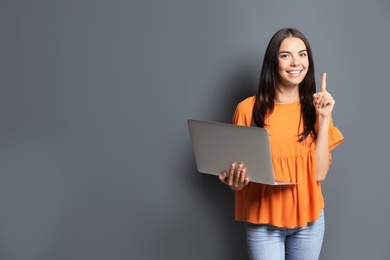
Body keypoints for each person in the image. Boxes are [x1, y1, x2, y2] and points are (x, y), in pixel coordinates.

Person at [218, 28, 344, 260]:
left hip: (310, 223)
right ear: (272, 61)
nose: (296, 62)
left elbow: (320, 174)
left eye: (302, 54)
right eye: (286, 55)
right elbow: (239, 181)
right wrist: (234, 182)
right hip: (263, 223)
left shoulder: (317, 108)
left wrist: (324, 118)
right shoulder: (247, 109)